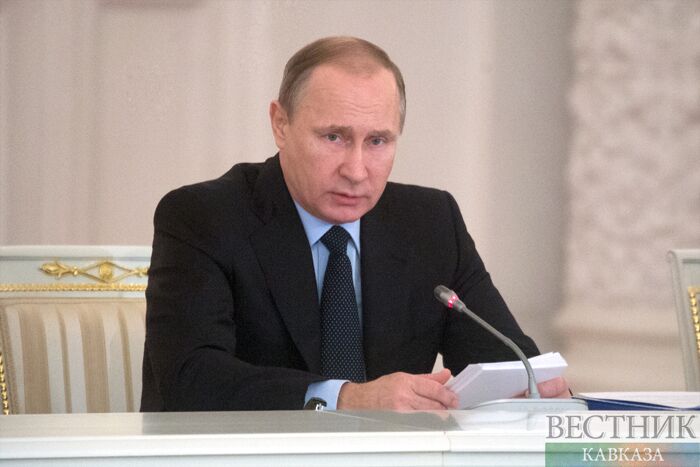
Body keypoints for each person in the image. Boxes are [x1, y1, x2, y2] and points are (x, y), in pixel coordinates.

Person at [141, 36, 568, 412]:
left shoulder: (430, 223)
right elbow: (191, 379)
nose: (357, 170)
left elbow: (504, 358)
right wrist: (344, 398)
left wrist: (531, 387)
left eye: (377, 141)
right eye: (334, 137)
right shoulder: (203, 216)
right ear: (281, 124)